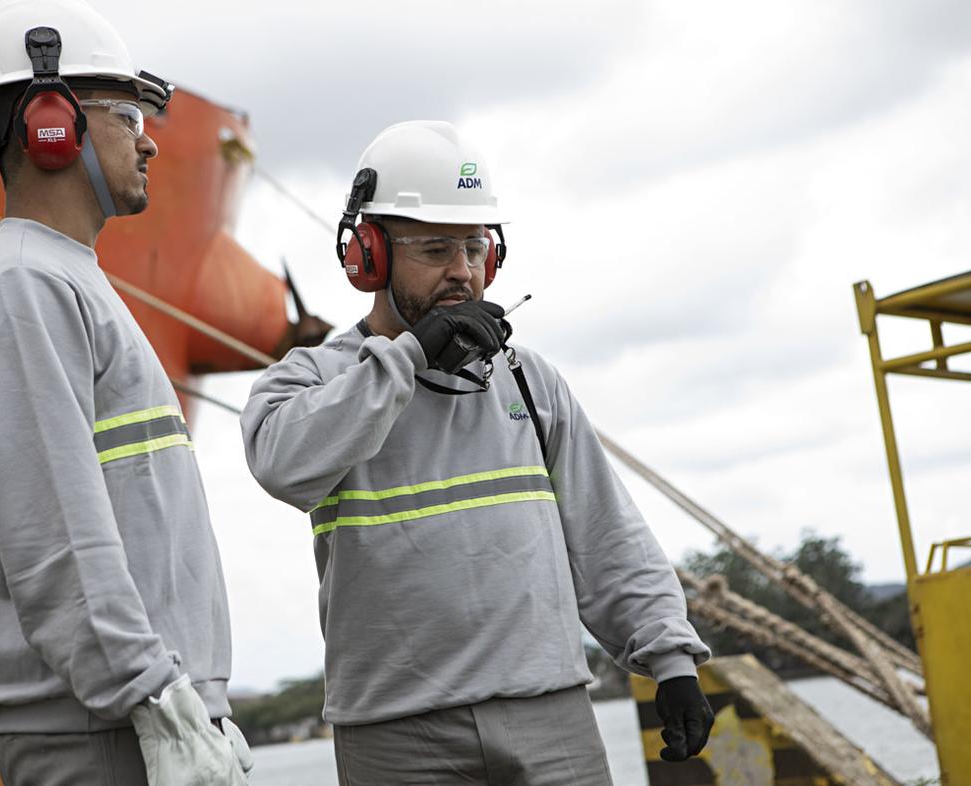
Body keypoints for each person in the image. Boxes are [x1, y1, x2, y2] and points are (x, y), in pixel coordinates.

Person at [241, 120, 714, 785]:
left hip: (551, 719)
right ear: (368, 255)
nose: (462, 273)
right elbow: (283, 465)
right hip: (396, 737)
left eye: (474, 247)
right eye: (435, 249)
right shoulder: (312, 380)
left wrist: (670, 660)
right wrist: (408, 357)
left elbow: (607, 535)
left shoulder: (530, 380)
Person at [0, 1, 250, 783]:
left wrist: (192, 700)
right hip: (101, 725)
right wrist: (156, 698)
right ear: (52, 121)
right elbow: (54, 533)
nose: (147, 138)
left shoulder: (61, 279)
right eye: (125, 114)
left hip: (131, 711)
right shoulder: (20, 287)